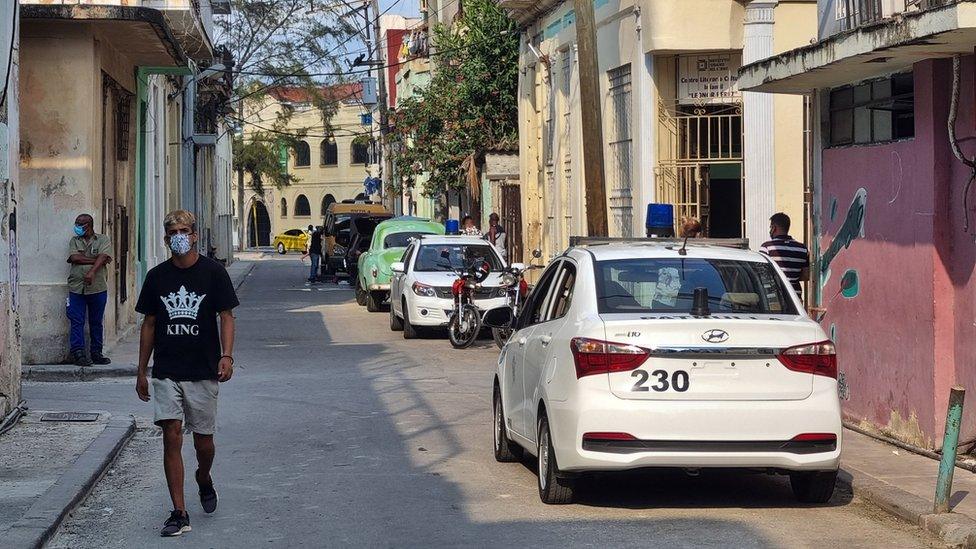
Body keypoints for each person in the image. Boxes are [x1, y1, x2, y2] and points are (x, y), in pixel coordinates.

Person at [135, 210, 239, 538]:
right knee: (172, 434)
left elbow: (227, 315)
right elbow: (149, 324)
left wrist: (226, 356)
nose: (179, 236)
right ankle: (179, 512)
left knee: (204, 443)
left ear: (194, 235)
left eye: (184, 230)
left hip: (203, 368)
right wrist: (142, 371)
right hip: (167, 369)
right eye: (173, 232)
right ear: (166, 240)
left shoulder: (213, 273)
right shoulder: (156, 278)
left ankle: (203, 478)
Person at [66, 213, 113, 367]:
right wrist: (98, 260)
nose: (77, 226)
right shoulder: (75, 240)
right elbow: (74, 258)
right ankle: (78, 352)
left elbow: (104, 255)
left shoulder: (103, 239)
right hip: (76, 287)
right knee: (76, 320)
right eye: (76, 223)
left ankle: (96, 352)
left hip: (97, 287)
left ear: (89, 225)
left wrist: (92, 272)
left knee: (96, 321)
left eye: (80, 223)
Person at [760, 212, 810, 299]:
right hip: (795, 296)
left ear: (774, 228)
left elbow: (762, 273)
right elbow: (806, 275)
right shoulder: (802, 249)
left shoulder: (767, 247)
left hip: (774, 296)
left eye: (770, 227)